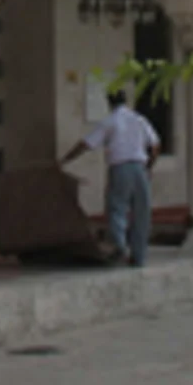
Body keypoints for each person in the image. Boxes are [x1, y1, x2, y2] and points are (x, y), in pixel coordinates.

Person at [59, 90, 160, 267]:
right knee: (141, 212)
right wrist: (149, 167)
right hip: (140, 167)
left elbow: (86, 144)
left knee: (117, 208)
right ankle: (139, 256)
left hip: (120, 167)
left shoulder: (109, 121)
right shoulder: (139, 119)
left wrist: (65, 159)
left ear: (109, 102)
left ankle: (119, 246)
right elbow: (155, 145)